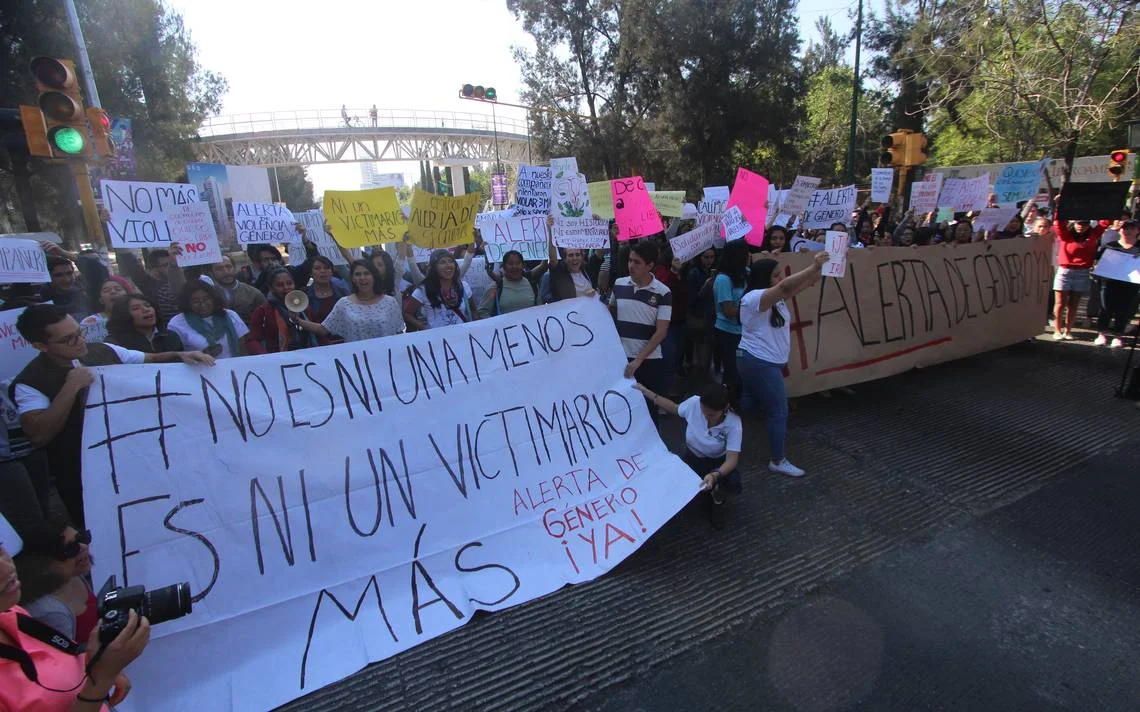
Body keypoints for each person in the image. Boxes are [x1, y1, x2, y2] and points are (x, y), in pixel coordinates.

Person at [10, 305, 214, 528]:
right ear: (40, 346)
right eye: (68, 339)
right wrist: (70, 387)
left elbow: (149, 359)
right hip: (85, 478)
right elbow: (38, 435)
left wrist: (180, 355)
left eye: (80, 332)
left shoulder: (101, 350)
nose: (80, 341)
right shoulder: (29, 383)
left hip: (137, 461)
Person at [0, 512, 149, 711]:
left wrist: (93, 665)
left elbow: (54, 662)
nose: (5, 567)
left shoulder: (11, 612)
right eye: (69, 549)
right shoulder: (47, 611)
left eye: (0, 550)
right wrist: (101, 679)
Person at [737, 252, 830, 478]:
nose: (780, 279)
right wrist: (812, 266)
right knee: (778, 411)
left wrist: (816, 274)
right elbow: (784, 288)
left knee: (748, 402)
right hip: (760, 363)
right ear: (763, 278)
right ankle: (777, 460)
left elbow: (789, 290)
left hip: (756, 361)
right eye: (776, 275)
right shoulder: (754, 298)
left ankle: (723, 431)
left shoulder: (772, 300)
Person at [633, 383, 742, 528]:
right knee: (672, 482)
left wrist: (716, 474)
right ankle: (703, 491)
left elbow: (732, 460)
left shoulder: (734, 423)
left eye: (711, 414)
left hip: (718, 463)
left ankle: (717, 500)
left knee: (732, 481)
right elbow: (674, 408)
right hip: (693, 458)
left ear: (725, 408)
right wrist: (645, 391)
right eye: (703, 411)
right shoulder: (694, 403)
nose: (706, 417)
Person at [610, 242, 671, 425]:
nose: (631, 266)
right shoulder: (619, 284)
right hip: (621, 359)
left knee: (648, 412)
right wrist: (591, 301)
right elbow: (609, 313)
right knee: (621, 410)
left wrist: (638, 360)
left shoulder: (663, 292)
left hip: (649, 362)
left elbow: (661, 332)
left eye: (637, 262)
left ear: (650, 265)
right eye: (629, 260)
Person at [15, 521, 95, 644]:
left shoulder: (74, 575)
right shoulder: (49, 613)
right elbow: (67, 661)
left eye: (81, 538)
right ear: (44, 565)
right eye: (71, 548)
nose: (83, 547)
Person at [293, 259, 405, 343]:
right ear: (352, 279)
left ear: (374, 277)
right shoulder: (344, 304)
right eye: (358, 274)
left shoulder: (390, 303)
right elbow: (324, 329)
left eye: (366, 273)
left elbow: (399, 333)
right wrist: (297, 320)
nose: (362, 278)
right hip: (357, 363)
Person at [1052, 214, 1108, 340]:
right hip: (1065, 271)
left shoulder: (1093, 236)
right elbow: (1058, 223)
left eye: (1085, 224)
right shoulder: (1066, 235)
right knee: (1060, 303)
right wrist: (1060, 207)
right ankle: (1057, 330)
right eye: (1078, 223)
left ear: (1089, 225)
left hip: (1082, 272)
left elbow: (1105, 223)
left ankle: (1068, 331)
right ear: (1074, 223)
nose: (1081, 226)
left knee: (1074, 304)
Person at [167, 281, 250, 359]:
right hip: (198, 371)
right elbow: (175, 356)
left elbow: (243, 347)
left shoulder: (230, 315)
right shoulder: (176, 323)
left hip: (233, 369)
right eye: (196, 301)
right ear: (187, 303)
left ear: (213, 298)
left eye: (206, 299)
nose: (202, 304)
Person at [247, 268, 320, 354]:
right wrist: (265, 357)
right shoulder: (263, 311)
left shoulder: (304, 306)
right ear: (271, 288)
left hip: (310, 356)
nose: (286, 288)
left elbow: (319, 332)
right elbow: (252, 340)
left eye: (289, 283)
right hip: (280, 360)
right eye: (280, 285)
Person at [1093, 218, 1140, 348]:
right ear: (1119, 230)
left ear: (1137, 231)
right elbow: (1098, 262)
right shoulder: (1111, 245)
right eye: (1125, 228)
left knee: (1123, 310)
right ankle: (1102, 334)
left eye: (1132, 228)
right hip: (1108, 283)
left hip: (1131, 285)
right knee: (1105, 308)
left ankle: (1118, 336)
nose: (1128, 231)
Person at [405, 250, 478, 330]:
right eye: (442, 262)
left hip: (462, 338)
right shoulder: (424, 290)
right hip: (437, 340)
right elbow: (407, 314)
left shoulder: (463, 286)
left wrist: (475, 327)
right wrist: (424, 328)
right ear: (434, 267)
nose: (448, 265)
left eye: (450, 261)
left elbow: (474, 309)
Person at [713, 239, 749, 395]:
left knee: (744, 370)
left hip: (745, 331)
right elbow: (728, 310)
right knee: (731, 370)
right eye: (745, 254)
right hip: (727, 332)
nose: (748, 256)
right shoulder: (723, 279)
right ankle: (729, 401)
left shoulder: (747, 273)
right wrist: (750, 308)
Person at [119, 249, 184, 325]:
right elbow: (132, 265)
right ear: (154, 269)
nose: (170, 267)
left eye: (171, 263)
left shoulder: (186, 280)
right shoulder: (149, 285)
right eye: (165, 265)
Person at [105, 294, 184, 354]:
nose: (146, 309)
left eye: (148, 305)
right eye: (136, 308)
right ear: (123, 315)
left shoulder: (170, 336)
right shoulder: (114, 343)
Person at [478, 250, 546, 318]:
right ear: (504, 267)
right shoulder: (495, 288)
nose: (514, 266)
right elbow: (482, 312)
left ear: (523, 266)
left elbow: (539, 309)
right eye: (510, 264)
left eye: (518, 263)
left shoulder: (532, 285)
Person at [209, 255, 266, 324]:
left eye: (229, 267)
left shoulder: (253, 293)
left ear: (234, 268)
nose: (226, 272)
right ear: (211, 272)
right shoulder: (208, 295)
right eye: (219, 269)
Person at [78, 278, 132, 344]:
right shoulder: (88, 323)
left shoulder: (138, 317)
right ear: (101, 300)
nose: (113, 292)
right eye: (106, 290)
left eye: (118, 289)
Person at [42, 257, 89, 321]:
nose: (67, 279)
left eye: (69, 273)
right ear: (48, 276)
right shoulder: (42, 299)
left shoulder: (84, 293)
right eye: (58, 275)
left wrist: (64, 253)